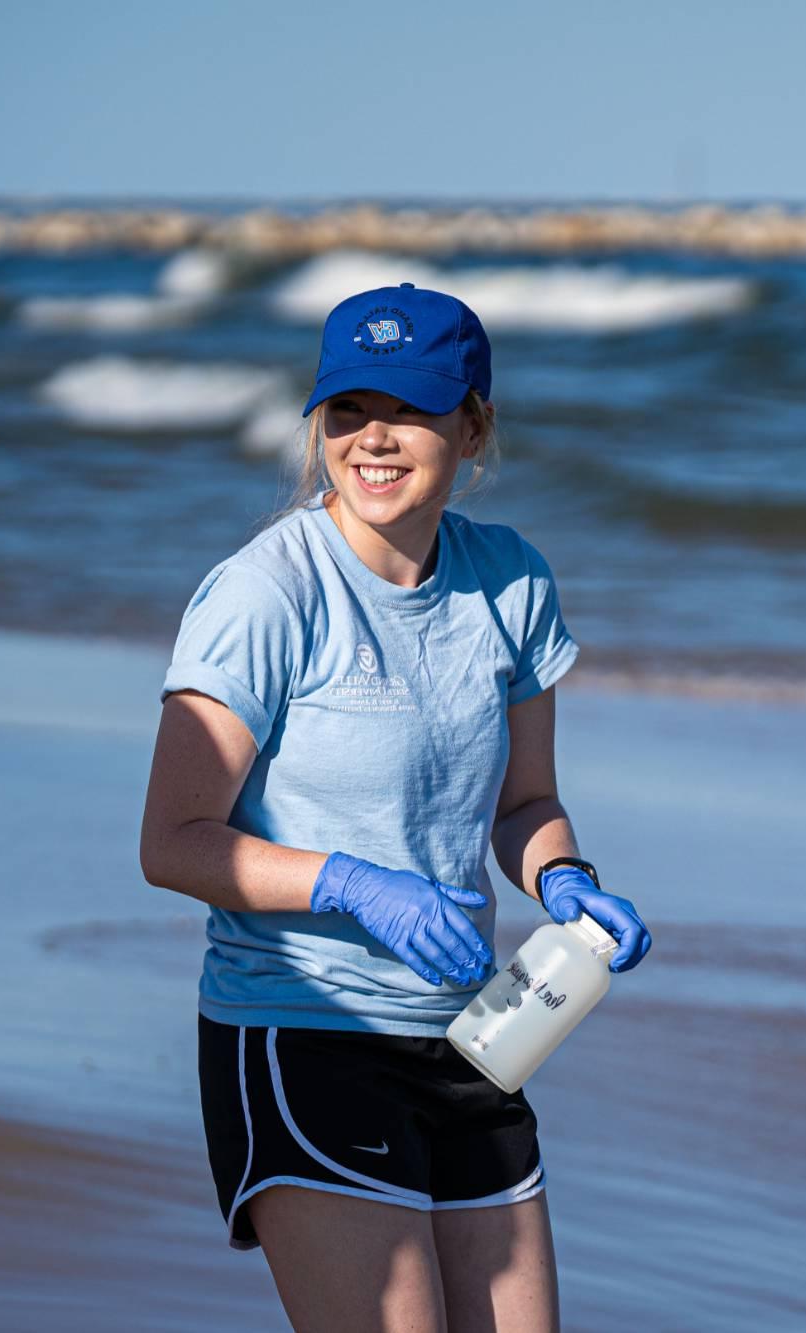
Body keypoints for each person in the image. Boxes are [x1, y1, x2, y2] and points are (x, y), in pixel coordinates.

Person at [139, 281, 652, 1333]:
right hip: (303, 1030)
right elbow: (173, 842)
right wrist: (348, 884)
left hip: (477, 1035)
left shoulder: (509, 582)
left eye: (409, 408)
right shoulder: (265, 593)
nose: (374, 438)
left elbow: (525, 801)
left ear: (471, 425)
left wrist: (564, 879)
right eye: (347, 409)